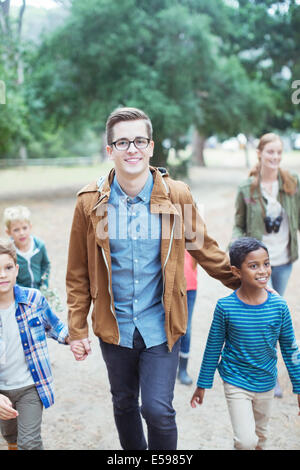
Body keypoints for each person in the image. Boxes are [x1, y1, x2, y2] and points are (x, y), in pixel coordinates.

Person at [66, 106, 241, 451]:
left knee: (157, 410)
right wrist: (77, 329)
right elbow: (77, 273)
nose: (132, 149)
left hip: (161, 324)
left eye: (139, 141)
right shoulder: (90, 203)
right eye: (122, 142)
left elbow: (204, 247)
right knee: (124, 403)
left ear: (151, 147)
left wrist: (242, 282)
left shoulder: (177, 196)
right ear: (110, 150)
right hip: (114, 327)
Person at [191, 237, 300, 450]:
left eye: (266, 264)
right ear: (237, 271)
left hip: (266, 382)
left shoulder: (279, 306)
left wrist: (298, 386)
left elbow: (290, 348)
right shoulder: (226, 307)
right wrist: (203, 383)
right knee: (245, 440)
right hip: (236, 381)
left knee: (261, 437)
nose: (262, 271)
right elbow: (213, 347)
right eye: (253, 266)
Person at [231, 132, 300, 398]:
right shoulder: (246, 188)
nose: (275, 157)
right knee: (264, 317)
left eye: (279, 153)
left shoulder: (291, 184)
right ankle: (269, 378)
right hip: (257, 264)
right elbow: (239, 222)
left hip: (283, 260)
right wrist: (235, 243)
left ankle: (270, 372)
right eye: (270, 152)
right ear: (259, 153)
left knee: (274, 318)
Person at [0, 238, 69, 450]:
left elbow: (55, 326)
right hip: (1, 390)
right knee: (11, 437)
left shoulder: (33, 299)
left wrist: (74, 338)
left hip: (30, 387)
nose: (2, 274)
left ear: (17, 269)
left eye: (8, 267)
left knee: (29, 443)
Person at [3, 205, 50, 289]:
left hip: (39, 290)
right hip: (20, 293)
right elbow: (10, 274)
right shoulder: (9, 252)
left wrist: (44, 284)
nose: (21, 233)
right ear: (8, 232)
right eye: (16, 230)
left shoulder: (39, 246)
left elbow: (45, 265)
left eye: (24, 228)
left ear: (30, 227)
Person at [177, 250, 197, 385]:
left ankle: (183, 369)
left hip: (189, 285)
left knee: (186, 329)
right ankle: (166, 367)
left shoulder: (192, 230)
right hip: (168, 284)